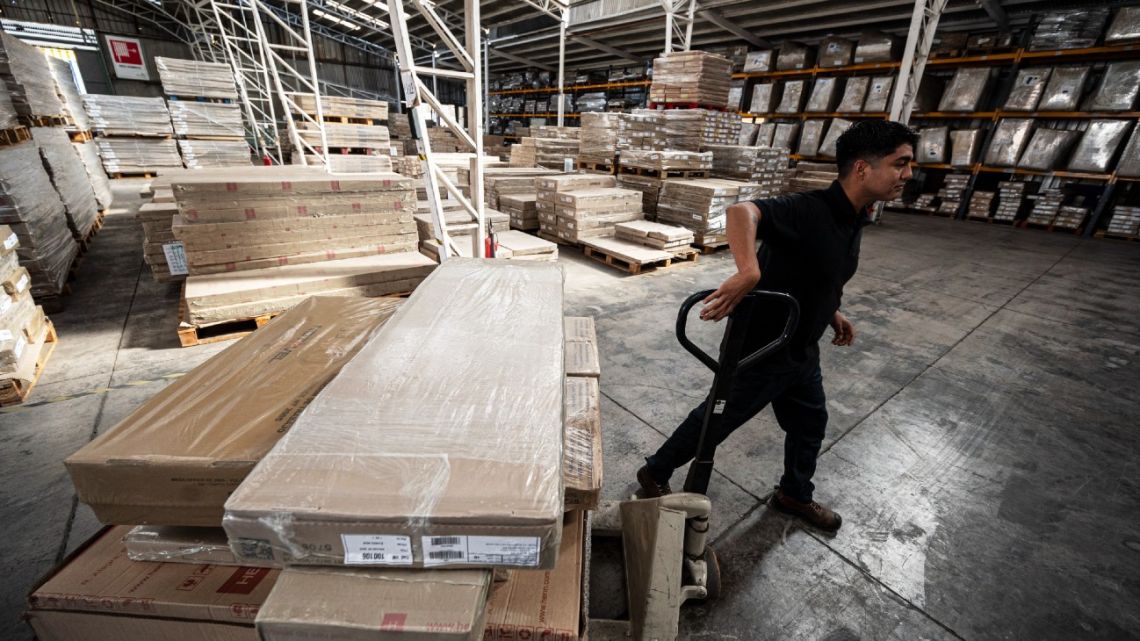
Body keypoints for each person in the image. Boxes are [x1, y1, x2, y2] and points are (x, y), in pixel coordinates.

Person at [636, 120, 918, 533]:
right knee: (716, 421)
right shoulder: (809, 209)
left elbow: (822, 272)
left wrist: (831, 311)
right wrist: (748, 270)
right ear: (862, 168)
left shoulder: (854, 219)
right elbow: (741, 212)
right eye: (900, 163)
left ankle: (794, 494)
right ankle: (655, 472)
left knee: (810, 425)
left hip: (801, 348)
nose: (908, 174)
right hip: (762, 348)